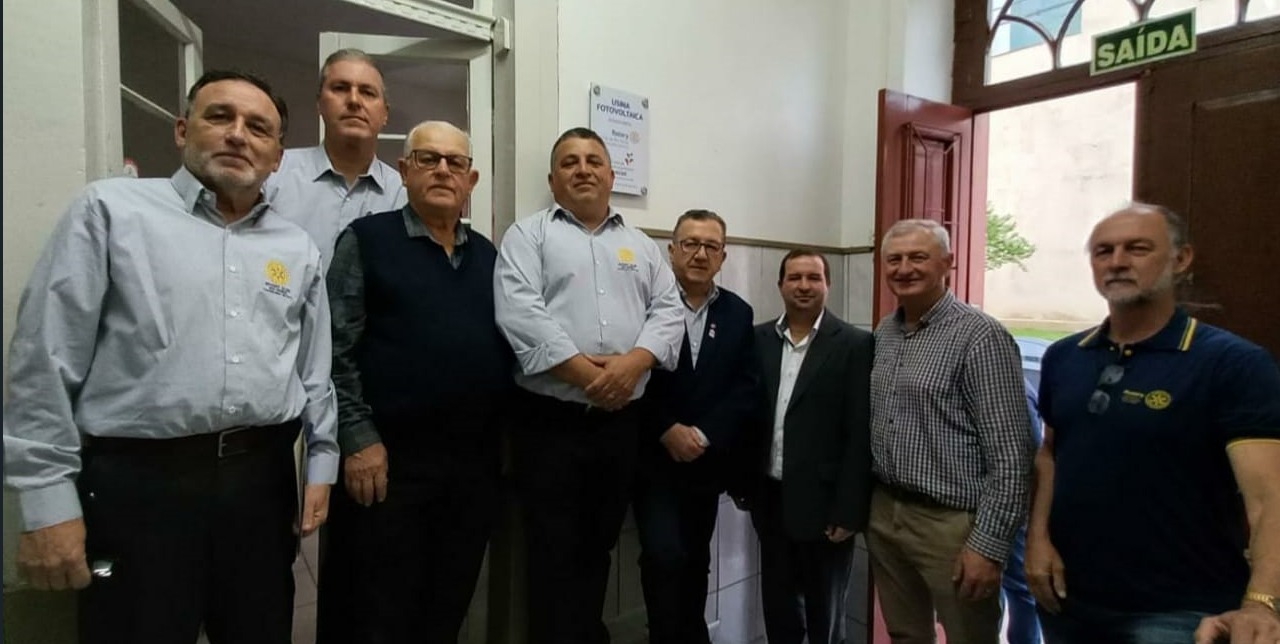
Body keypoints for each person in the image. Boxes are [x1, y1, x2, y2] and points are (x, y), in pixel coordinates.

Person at [2, 69, 337, 644]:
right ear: (183, 130)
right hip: (140, 486)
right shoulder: (111, 212)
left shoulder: (295, 248)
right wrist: (45, 501)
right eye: (219, 117)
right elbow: (44, 361)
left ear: (277, 157)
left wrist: (321, 463)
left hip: (260, 484)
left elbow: (313, 370)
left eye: (258, 128)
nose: (238, 135)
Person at [1026, 203, 1280, 643]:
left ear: (1181, 259)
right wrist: (1037, 540)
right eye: (1104, 251)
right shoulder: (1065, 356)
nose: (1117, 261)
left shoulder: (1232, 364)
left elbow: (1268, 498)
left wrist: (1260, 602)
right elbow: (1050, 454)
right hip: (1070, 600)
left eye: (1137, 249)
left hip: (1177, 610)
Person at [315, 121, 510, 643]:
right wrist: (358, 439)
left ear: (471, 180)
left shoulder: (489, 256)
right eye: (428, 159)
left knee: (444, 607)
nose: (443, 170)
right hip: (386, 468)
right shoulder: (366, 240)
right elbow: (333, 350)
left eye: (455, 162)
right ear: (404, 170)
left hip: (470, 472)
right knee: (374, 612)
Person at [494, 126, 684, 644]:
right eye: (570, 162)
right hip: (549, 425)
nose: (583, 169)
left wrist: (632, 365)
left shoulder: (640, 246)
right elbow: (521, 314)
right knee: (549, 549)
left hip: (619, 427)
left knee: (598, 545)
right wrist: (592, 376)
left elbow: (668, 313)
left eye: (593, 161)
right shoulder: (527, 236)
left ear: (611, 175)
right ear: (552, 180)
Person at [867, 218, 1033, 644]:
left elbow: (1012, 454)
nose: (904, 268)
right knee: (905, 634)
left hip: (953, 526)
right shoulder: (885, 332)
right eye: (894, 259)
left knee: (969, 636)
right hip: (886, 515)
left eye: (918, 257)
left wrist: (989, 545)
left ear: (948, 263)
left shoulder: (981, 336)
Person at [632, 209, 759, 644]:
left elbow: (745, 388)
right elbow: (632, 376)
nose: (700, 254)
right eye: (690, 244)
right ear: (671, 251)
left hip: (706, 462)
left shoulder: (738, 313)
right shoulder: (645, 304)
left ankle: (691, 635)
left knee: (695, 560)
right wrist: (666, 429)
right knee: (663, 555)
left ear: (723, 256)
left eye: (710, 246)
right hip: (654, 460)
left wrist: (703, 435)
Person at [740, 249, 874, 644]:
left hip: (825, 505)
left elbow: (859, 433)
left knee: (824, 614)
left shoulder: (855, 344)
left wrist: (849, 509)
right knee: (779, 608)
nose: (803, 286)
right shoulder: (758, 339)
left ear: (828, 284)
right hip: (770, 499)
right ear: (780, 284)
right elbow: (747, 415)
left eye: (813, 278)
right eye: (794, 277)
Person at [265, 48, 406, 265]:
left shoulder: (403, 195)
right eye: (340, 88)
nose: (354, 100)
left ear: (385, 114)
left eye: (367, 92)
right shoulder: (274, 174)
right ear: (319, 104)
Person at [1002, 379, 1044, 644]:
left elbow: (1033, 457)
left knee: (1020, 588)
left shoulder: (1013, 389)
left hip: (1013, 508)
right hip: (982, 505)